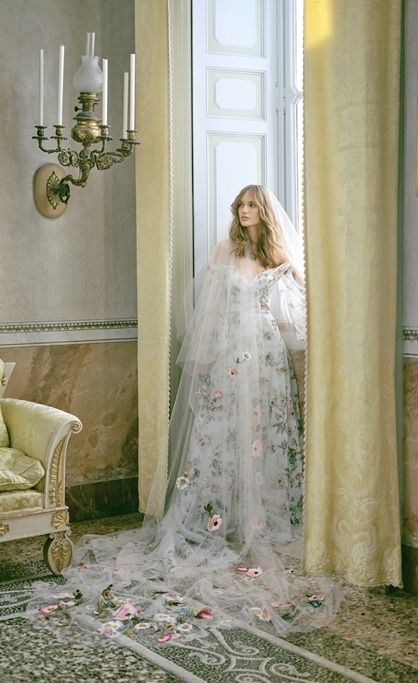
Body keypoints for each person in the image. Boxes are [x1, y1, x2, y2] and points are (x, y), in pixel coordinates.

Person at [28, 186, 340, 643]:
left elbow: (302, 303)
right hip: (231, 351)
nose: (244, 211)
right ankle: (217, 514)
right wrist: (208, 355)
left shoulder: (278, 255)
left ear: (265, 212)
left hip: (267, 352)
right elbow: (209, 309)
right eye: (240, 206)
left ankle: (262, 514)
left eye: (251, 205)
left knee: (266, 431)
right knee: (219, 432)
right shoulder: (225, 249)